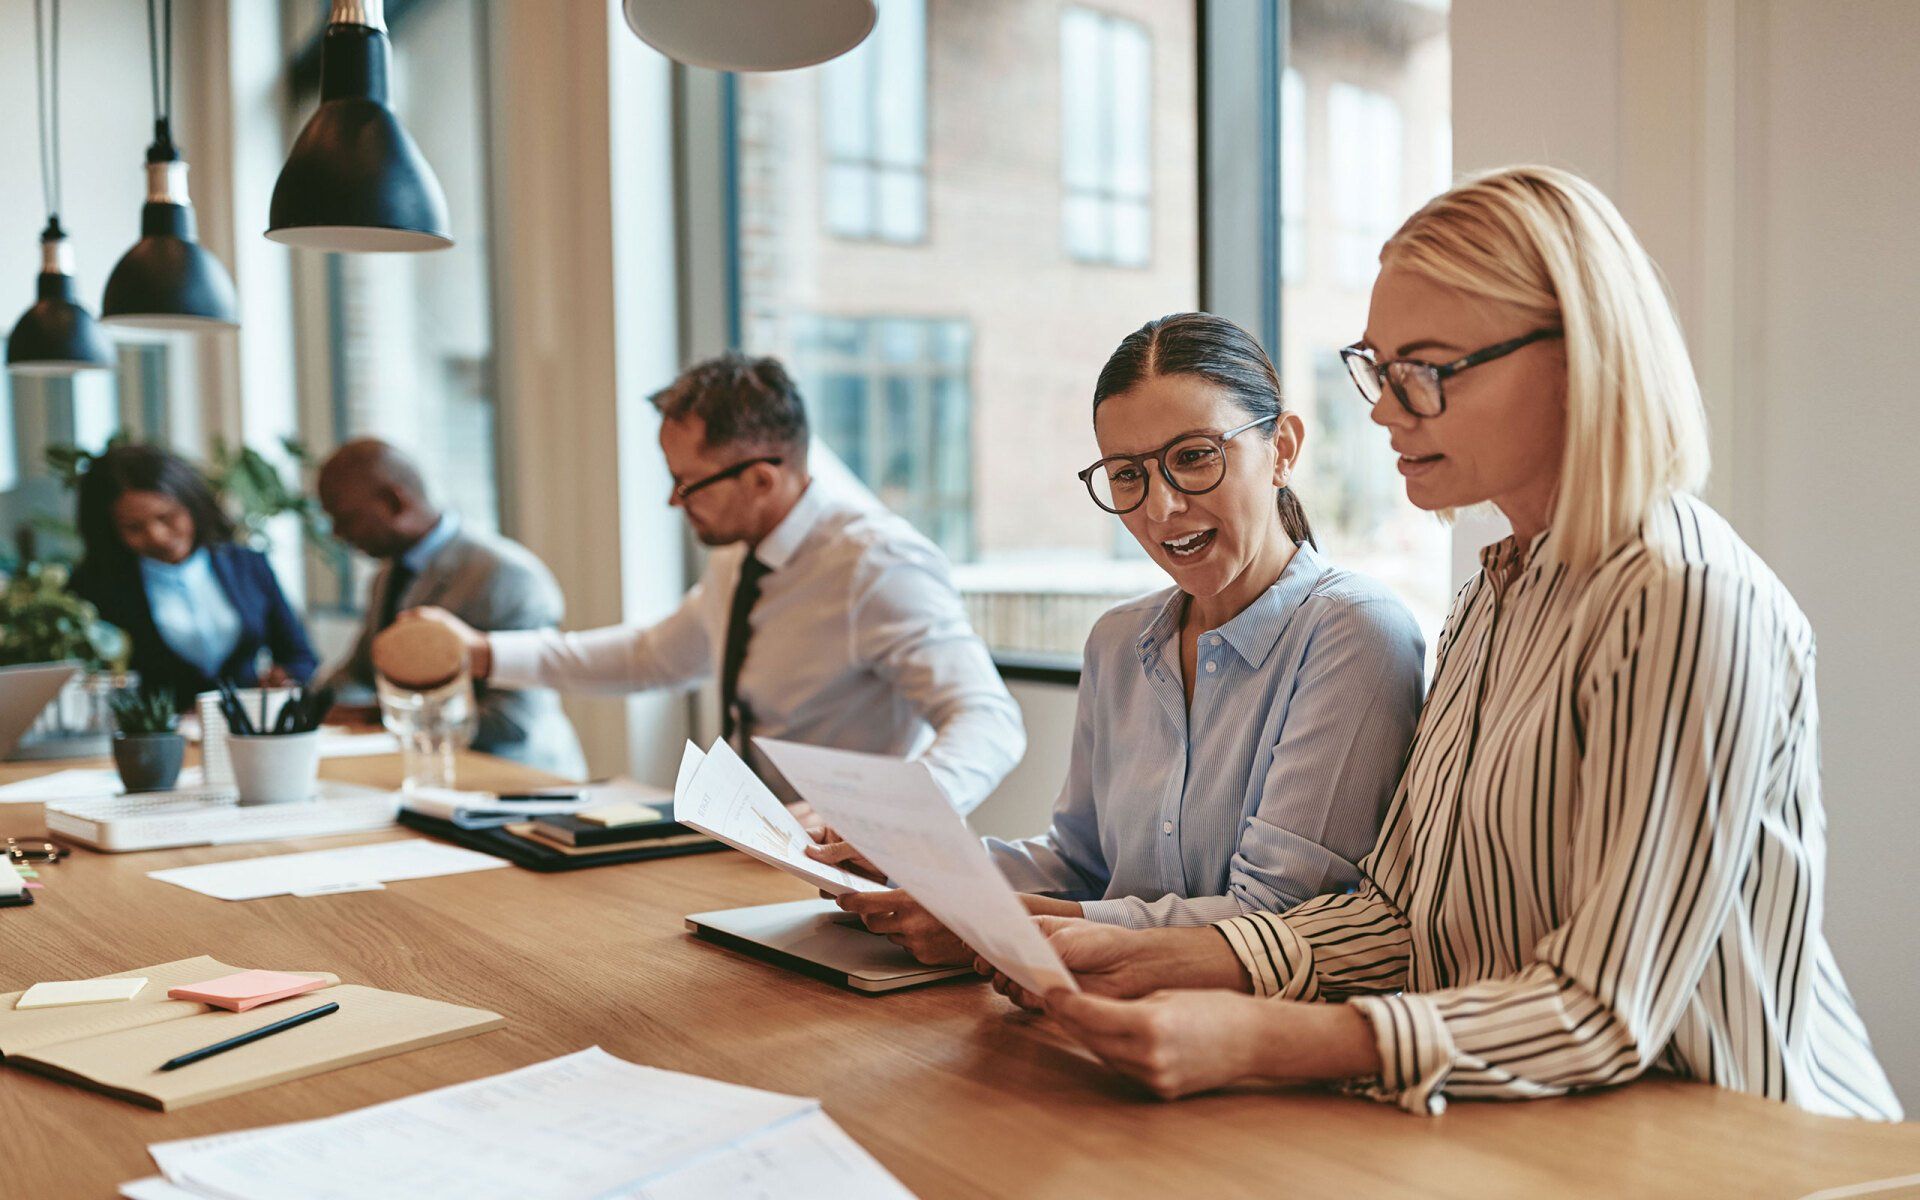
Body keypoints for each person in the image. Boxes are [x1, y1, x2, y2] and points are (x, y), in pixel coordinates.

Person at [994, 166, 1903, 1122]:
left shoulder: (1682, 600)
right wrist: (1152, 954)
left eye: (1424, 370)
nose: (1385, 409)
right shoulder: (1493, 596)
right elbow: (1398, 915)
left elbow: (1601, 1012)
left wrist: (1262, 1035)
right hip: (1536, 1125)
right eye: (1379, 371)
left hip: (1738, 1144)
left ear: (1580, 355)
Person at [807, 314, 1426, 965]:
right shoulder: (1119, 641)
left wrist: (999, 922)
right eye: (1128, 474)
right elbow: (1080, 860)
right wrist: (918, 862)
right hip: (1090, 1006)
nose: (1160, 508)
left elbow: (1275, 914)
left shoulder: (1353, 632)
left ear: (1284, 449)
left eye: (1194, 457)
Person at [398, 353, 1025, 812]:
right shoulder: (741, 554)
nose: (674, 501)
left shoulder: (875, 565)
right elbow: (654, 656)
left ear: (762, 479)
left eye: (689, 482)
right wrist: (482, 654)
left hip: (844, 870)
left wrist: (882, 822)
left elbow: (987, 721)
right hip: (748, 842)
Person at [315, 439, 585, 778]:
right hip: (431, 779)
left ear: (394, 502)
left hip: (517, 782)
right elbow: (360, 672)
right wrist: (299, 706)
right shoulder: (386, 576)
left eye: (347, 519)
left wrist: (382, 716)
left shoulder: (506, 576)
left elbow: (513, 721)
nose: (338, 534)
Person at [71, 444, 316, 708]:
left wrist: (285, 677)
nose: (157, 536)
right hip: (157, 740)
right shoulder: (95, 586)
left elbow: (299, 656)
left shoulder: (247, 565)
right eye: (134, 528)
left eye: (167, 517)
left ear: (191, 503)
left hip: (246, 729)